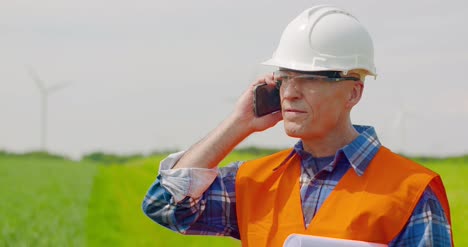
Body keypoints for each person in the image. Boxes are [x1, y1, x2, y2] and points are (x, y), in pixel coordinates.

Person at [142, 5, 453, 247]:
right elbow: (165, 203)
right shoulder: (254, 182)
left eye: (311, 78)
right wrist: (238, 123)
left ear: (354, 92)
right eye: (285, 78)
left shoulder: (411, 192)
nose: (290, 91)